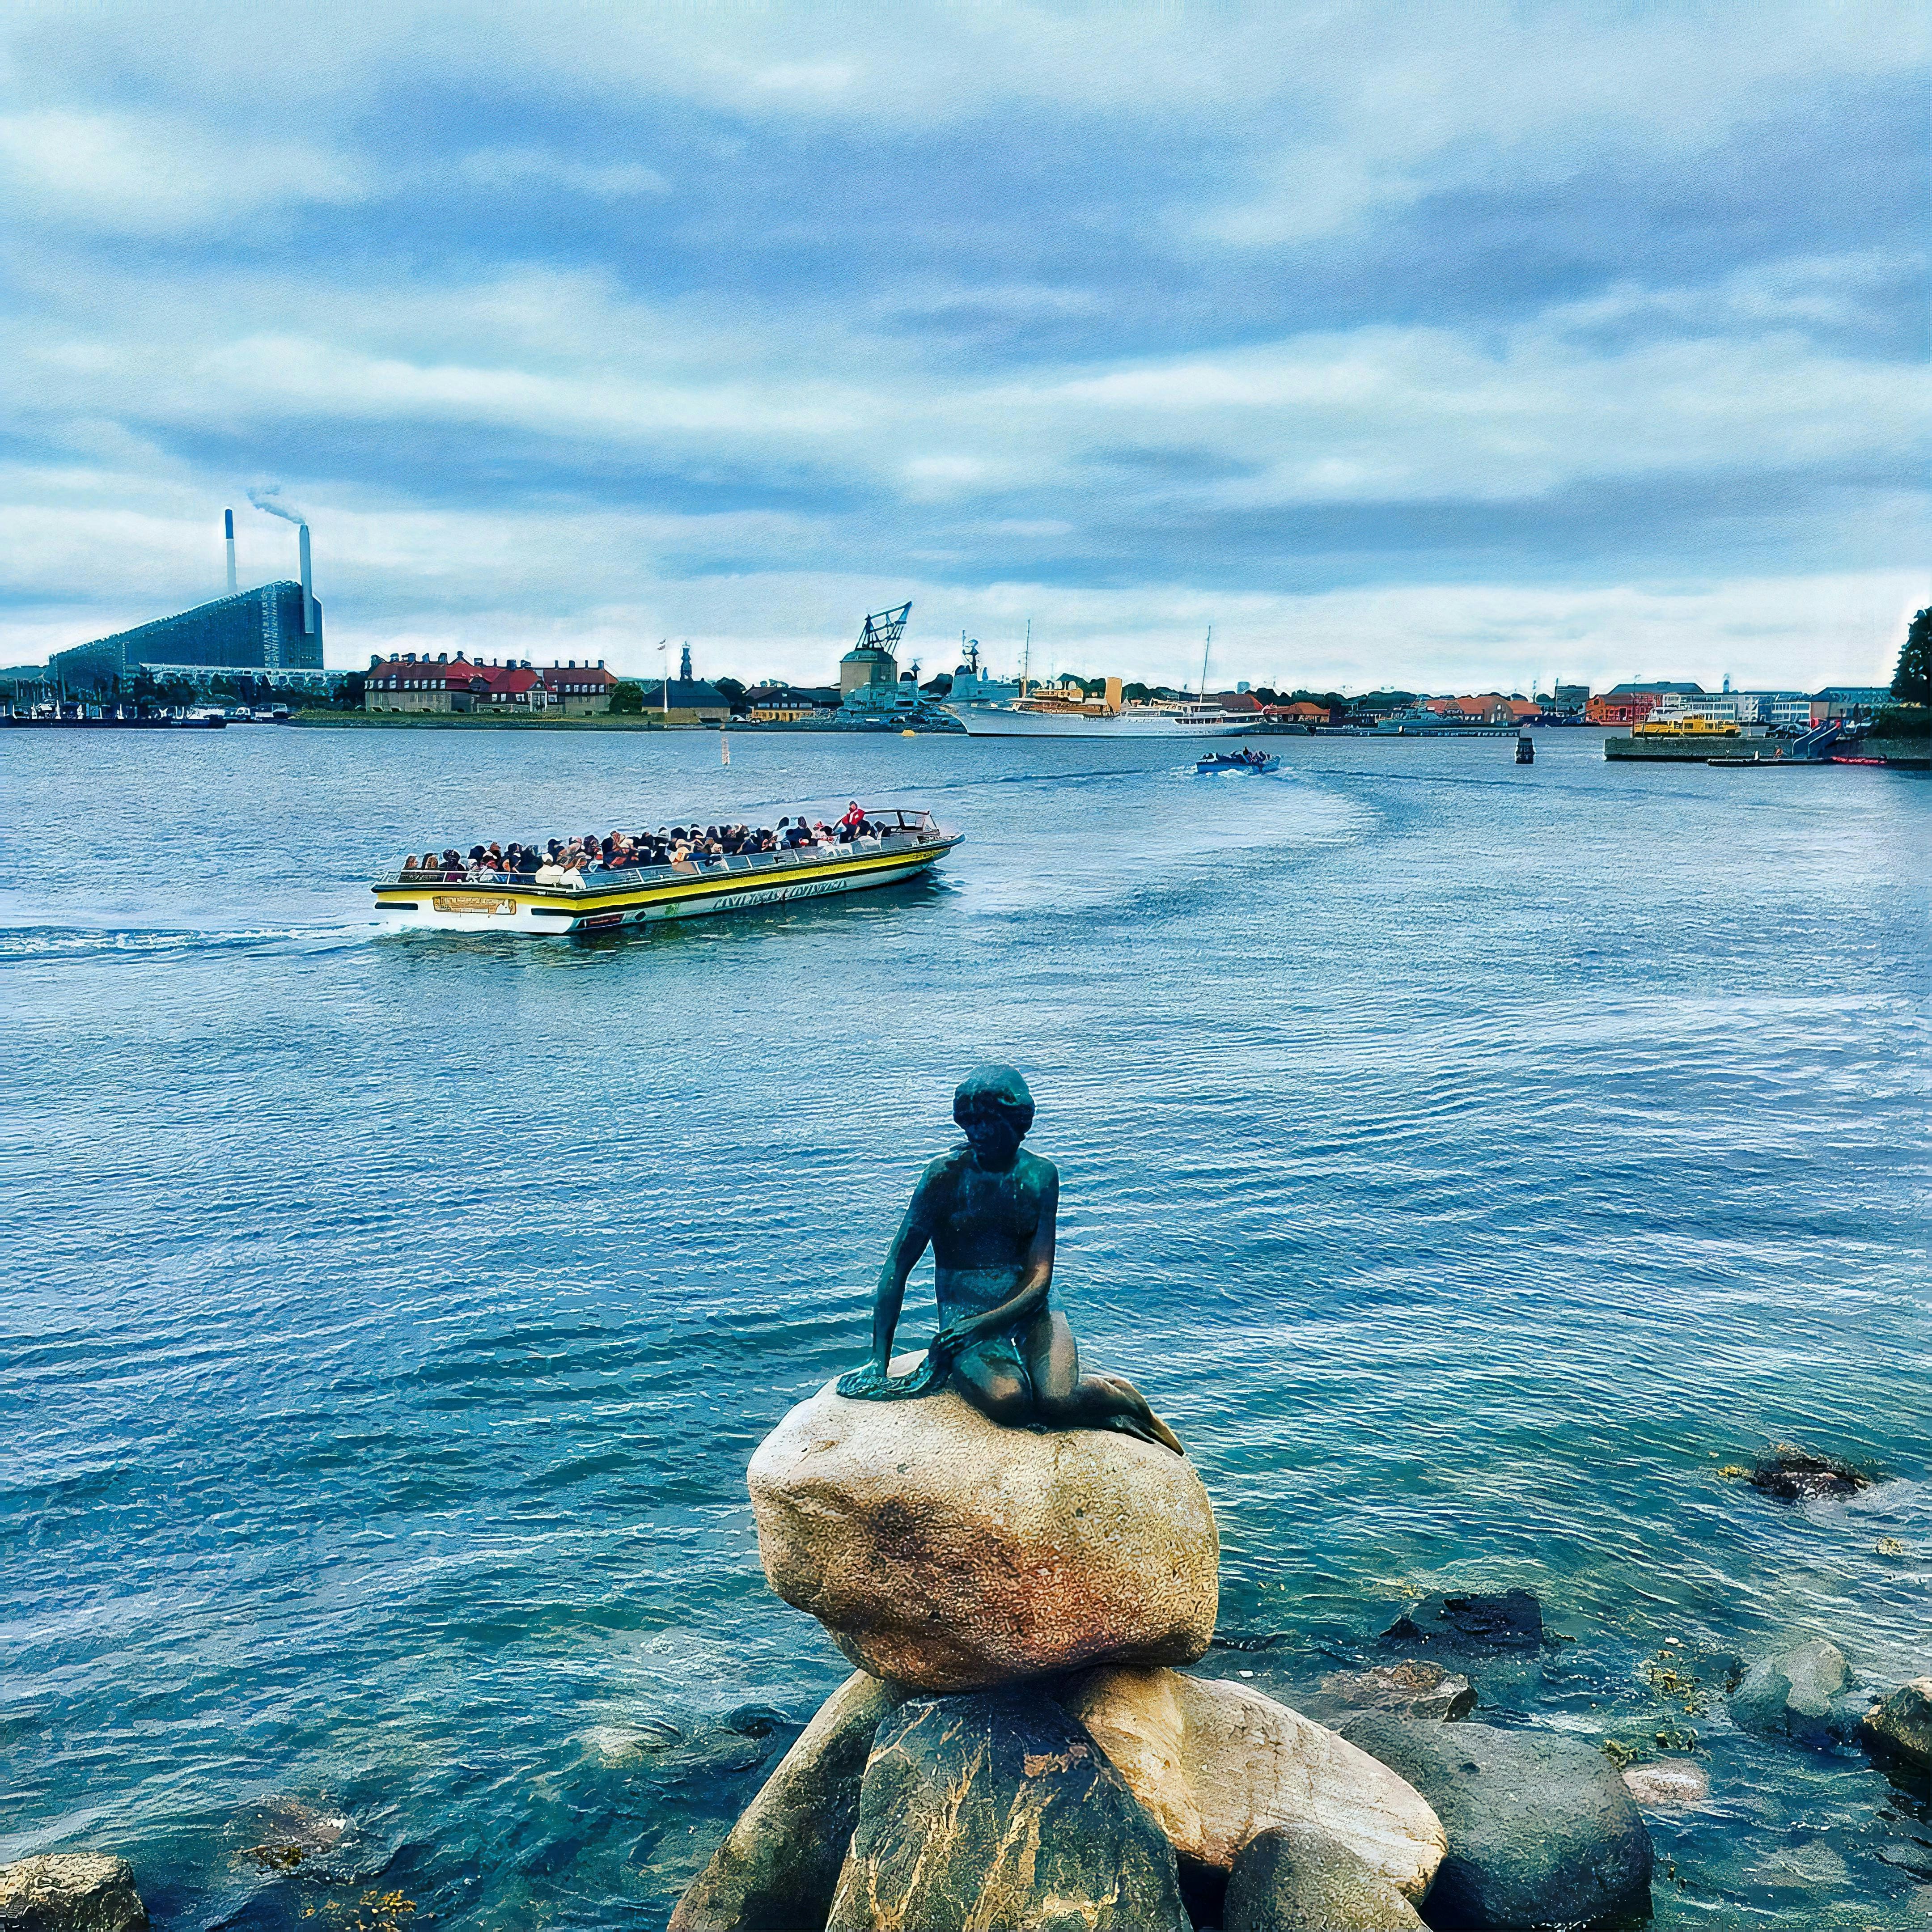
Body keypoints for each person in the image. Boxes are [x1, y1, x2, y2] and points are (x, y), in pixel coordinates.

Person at [839, 1065, 1184, 1454]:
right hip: (966, 1312)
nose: (977, 1134)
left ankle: (1122, 1400)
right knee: (1010, 1402)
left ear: (1018, 1122)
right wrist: (877, 1360)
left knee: (1057, 1399)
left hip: (1031, 1305)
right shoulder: (943, 1178)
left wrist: (987, 1324)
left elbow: (1040, 1278)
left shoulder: (1040, 1176)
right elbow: (896, 1269)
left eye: (989, 1122)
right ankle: (1083, 1404)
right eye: (970, 1124)